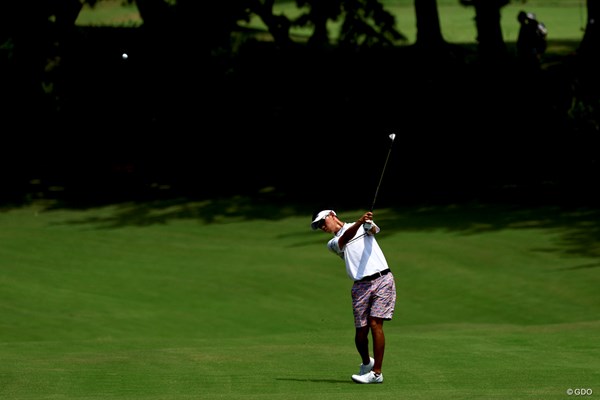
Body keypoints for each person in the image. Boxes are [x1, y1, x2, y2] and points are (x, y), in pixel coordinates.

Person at [311, 209, 396, 384]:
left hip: (383, 279)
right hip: (360, 286)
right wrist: (360, 222)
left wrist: (367, 224)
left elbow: (373, 231)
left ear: (332, 215)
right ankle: (366, 364)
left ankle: (377, 373)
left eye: (322, 222)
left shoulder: (362, 226)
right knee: (360, 332)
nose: (322, 227)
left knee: (375, 324)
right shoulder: (332, 243)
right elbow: (344, 239)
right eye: (318, 226)